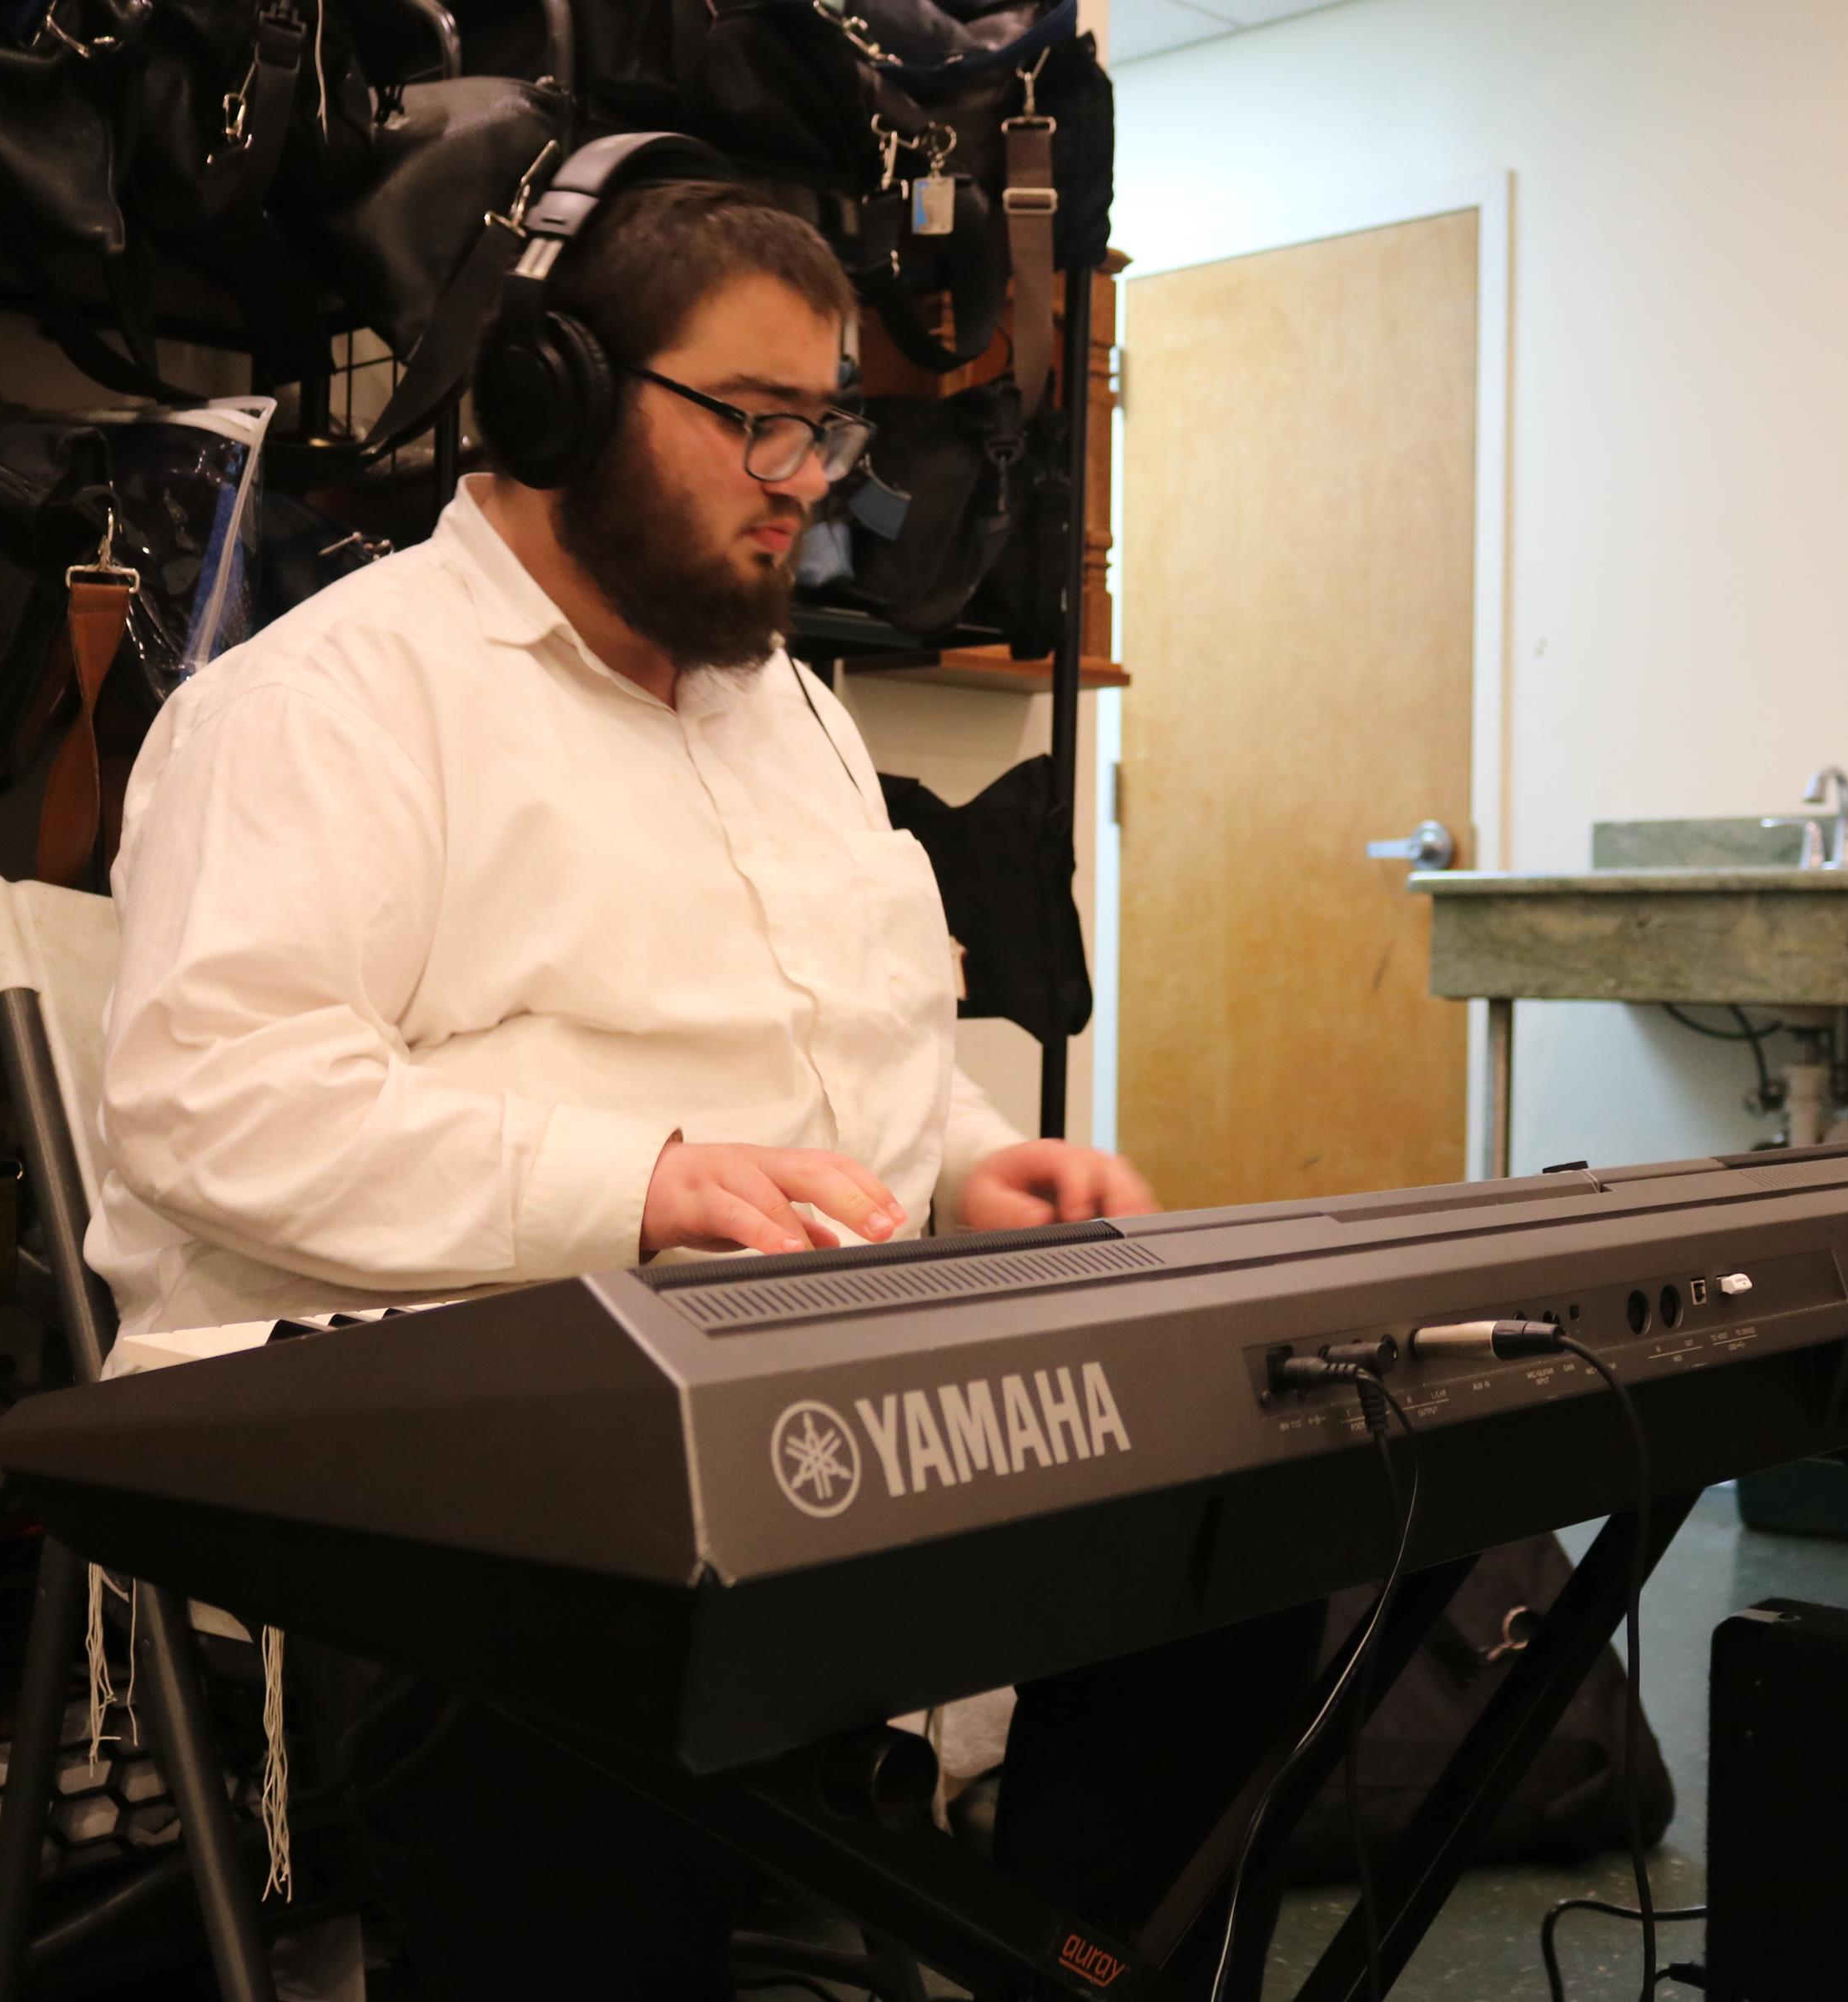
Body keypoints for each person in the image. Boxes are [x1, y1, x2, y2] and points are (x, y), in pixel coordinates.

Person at [88, 174, 1215, 1996]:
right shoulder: (325, 707)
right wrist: (642, 1184)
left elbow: (848, 1047)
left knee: (1222, 1559)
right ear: (562, 398)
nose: (806, 479)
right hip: (430, 1453)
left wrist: (967, 1163)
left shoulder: (793, 715)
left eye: (826, 426)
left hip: (781, 1411)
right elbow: (213, 1100)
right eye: (755, 418)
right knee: (573, 1700)